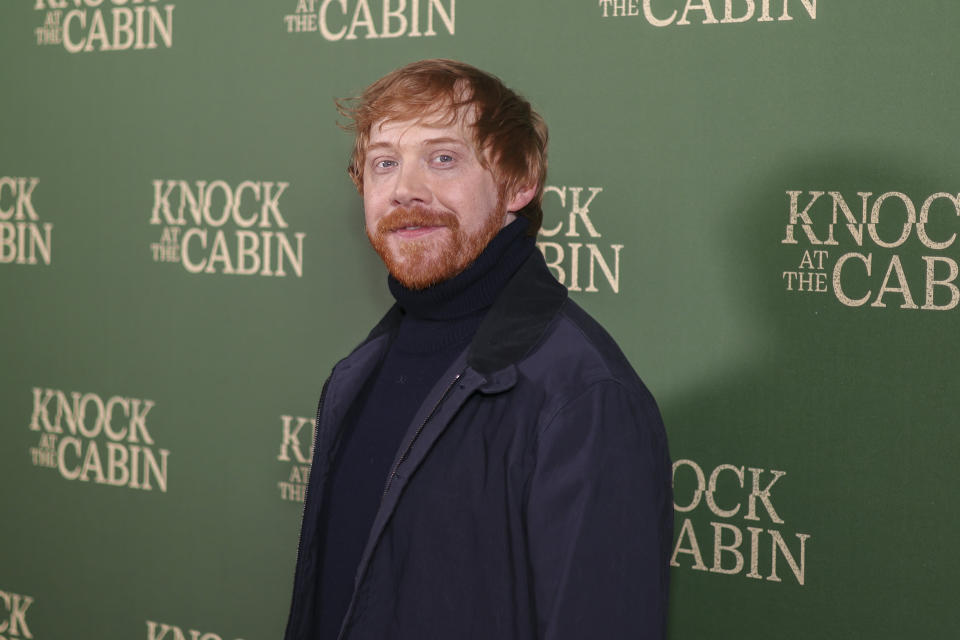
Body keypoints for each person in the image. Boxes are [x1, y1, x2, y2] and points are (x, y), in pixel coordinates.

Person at [284, 58, 672, 640]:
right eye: (384, 163)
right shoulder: (357, 376)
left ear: (520, 183)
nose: (406, 190)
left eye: (443, 158)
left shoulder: (581, 396)